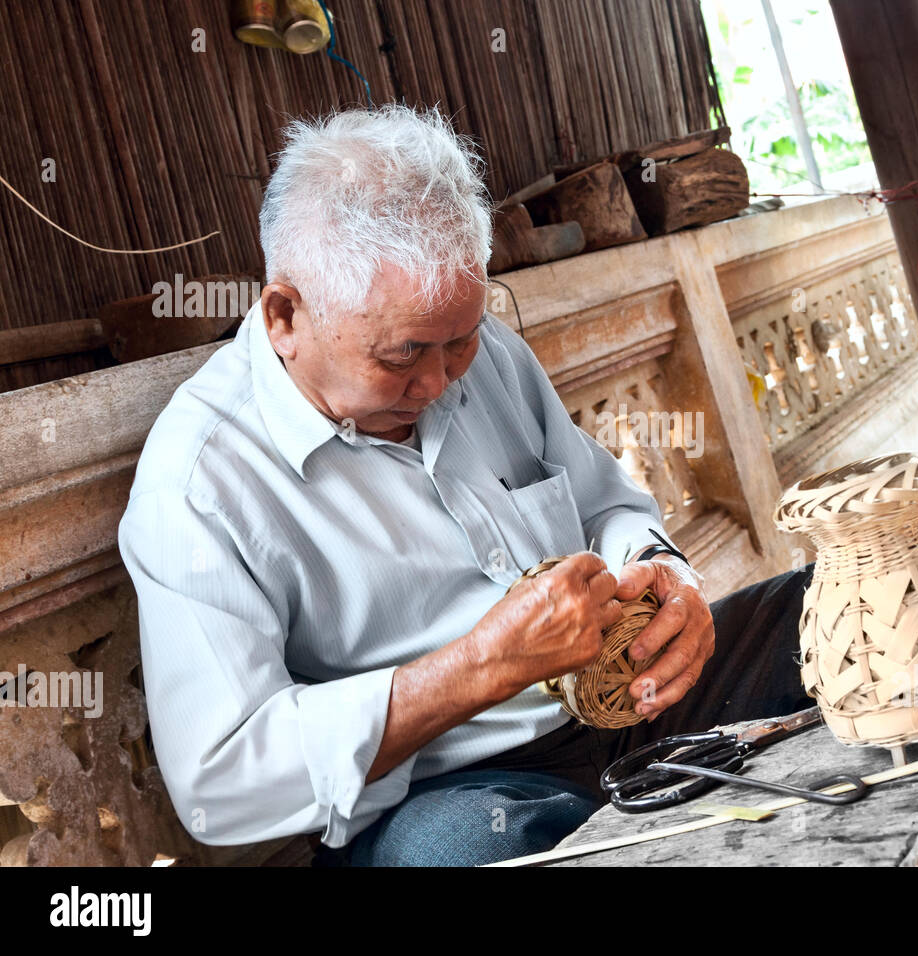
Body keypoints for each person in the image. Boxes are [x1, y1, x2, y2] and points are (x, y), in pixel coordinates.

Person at [118, 104, 812, 867]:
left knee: (836, 606)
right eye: (403, 354)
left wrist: (669, 582)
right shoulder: (200, 484)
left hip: (625, 703)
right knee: (457, 855)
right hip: (452, 791)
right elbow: (221, 779)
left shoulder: (487, 360)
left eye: (461, 340)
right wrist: (480, 667)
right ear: (286, 315)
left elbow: (607, 504)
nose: (441, 379)